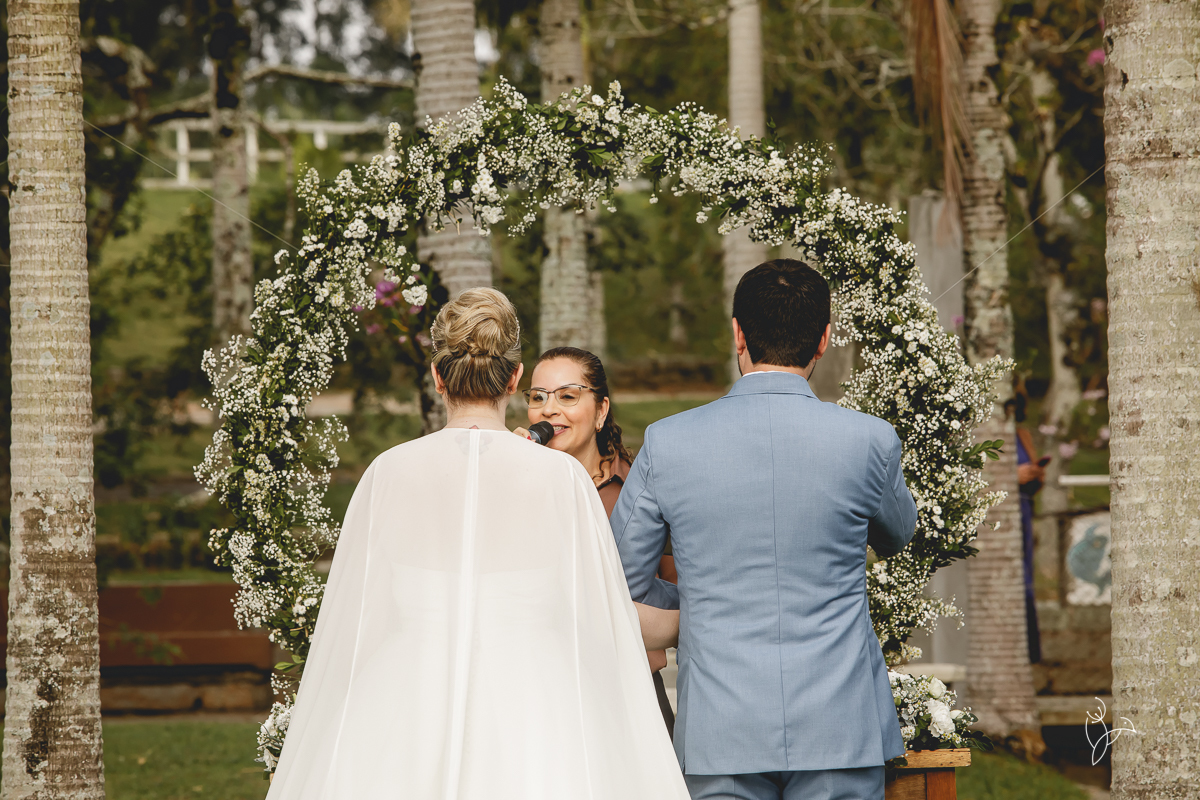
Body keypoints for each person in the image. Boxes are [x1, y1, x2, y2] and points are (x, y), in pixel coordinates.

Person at [266, 288, 689, 800]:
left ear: (437, 377)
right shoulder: (560, 478)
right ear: (514, 378)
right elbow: (605, 613)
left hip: (403, 698)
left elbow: (356, 618)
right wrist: (701, 618)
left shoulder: (388, 472)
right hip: (537, 702)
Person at [612, 260, 918, 800]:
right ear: (823, 339)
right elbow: (897, 536)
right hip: (840, 724)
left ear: (738, 334)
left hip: (720, 726)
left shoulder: (667, 441)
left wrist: (702, 597)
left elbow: (621, 578)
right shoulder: (870, 439)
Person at [520, 346, 677, 736]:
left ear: (601, 410)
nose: (548, 409)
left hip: (632, 696)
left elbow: (678, 592)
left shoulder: (642, 490)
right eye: (537, 397)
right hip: (540, 694)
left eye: (567, 396)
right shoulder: (516, 485)